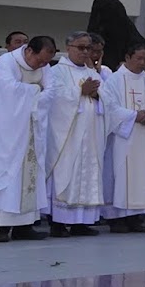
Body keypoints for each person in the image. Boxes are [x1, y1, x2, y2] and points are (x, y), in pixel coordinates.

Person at [45, 31, 108, 236]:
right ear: (68, 48)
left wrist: (98, 94)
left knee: (88, 175)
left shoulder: (93, 73)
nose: (85, 52)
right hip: (67, 136)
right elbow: (54, 98)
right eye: (81, 48)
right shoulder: (57, 71)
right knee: (65, 175)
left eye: (88, 48)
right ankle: (58, 223)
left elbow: (110, 100)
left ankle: (82, 223)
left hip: (91, 136)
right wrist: (80, 91)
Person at [101, 43, 145, 233]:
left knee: (142, 177)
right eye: (139, 58)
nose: (143, 62)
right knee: (120, 175)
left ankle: (136, 218)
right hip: (122, 139)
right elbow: (109, 108)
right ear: (128, 58)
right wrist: (134, 116)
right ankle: (117, 219)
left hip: (144, 138)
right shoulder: (114, 81)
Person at [0, 35, 57, 241]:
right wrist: (36, 90)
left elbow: (52, 91)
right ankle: (1, 226)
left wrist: (34, 94)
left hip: (33, 128)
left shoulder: (44, 65)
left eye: (46, 63)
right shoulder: (6, 62)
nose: (42, 66)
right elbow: (8, 91)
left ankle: (24, 226)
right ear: (29, 50)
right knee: (8, 175)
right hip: (8, 130)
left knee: (31, 174)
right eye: (40, 61)